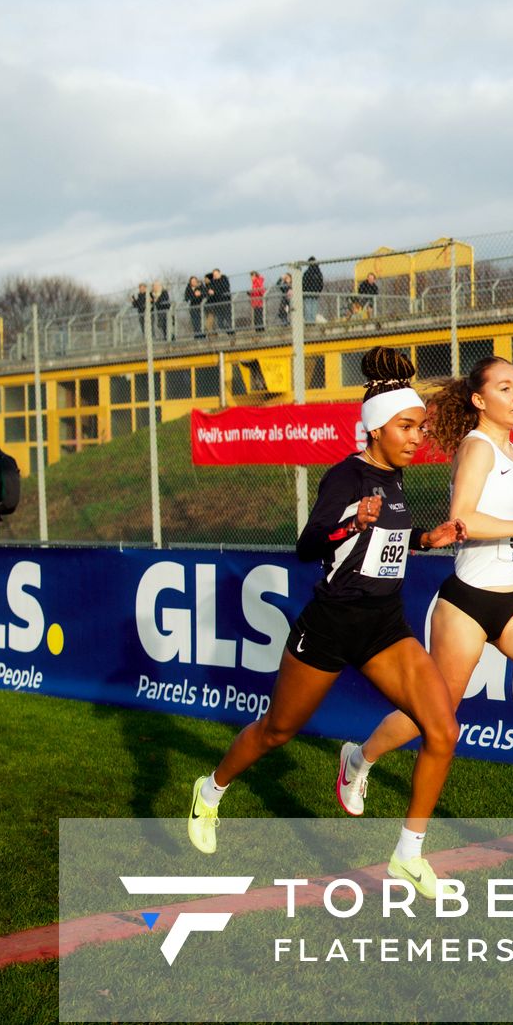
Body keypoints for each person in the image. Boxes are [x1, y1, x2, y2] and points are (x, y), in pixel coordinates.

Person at [187, 348, 465, 897]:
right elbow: (308, 545)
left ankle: (408, 853)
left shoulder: (396, 478)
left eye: (419, 428)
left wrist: (423, 539)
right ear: (376, 427)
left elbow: (381, 541)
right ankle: (211, 789)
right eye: (406, 427)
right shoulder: (346, 476)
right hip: (332, 623)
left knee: (443, 728)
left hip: (385, 625)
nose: (416, 438)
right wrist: (347, 522)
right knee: (278, 730)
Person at [335, 356, 513, 855]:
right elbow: (463, 518)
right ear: (481, 400)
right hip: (466, 606)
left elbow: (504, 510)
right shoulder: (476, 447)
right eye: (506, 388)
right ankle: (358, 758)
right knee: (435, 715)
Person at [303, 256, 324, 324]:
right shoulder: (318, 272)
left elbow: (303, 283)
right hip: (315, 293)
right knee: (314, 308)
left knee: (308, 308)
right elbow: (321, 283)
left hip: (307, 293)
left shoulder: (307, 272)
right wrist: (318, 291)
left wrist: (304, 291)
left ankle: (309, 322)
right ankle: (312, 322)